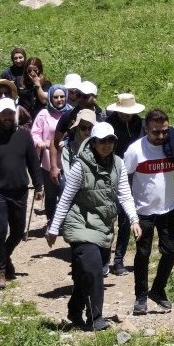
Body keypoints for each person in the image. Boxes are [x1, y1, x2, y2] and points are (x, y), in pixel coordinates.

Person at [46, 122, 141, 331]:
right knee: (93, 270)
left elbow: (125, 194)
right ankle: (95, 318)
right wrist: (53, 229)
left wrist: (134, 220)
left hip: (103, 226)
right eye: (102, 141)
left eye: (110, 140)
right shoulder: (80, 166)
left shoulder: (118, 164)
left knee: (85, 274)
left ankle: (74, 309)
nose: (106, 145)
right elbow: (66, 197)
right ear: (93, 143)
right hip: (80, 223)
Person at [0, 98, 44, 288]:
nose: (7, 117)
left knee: (18, 232)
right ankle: (0, 271)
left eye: (10, 113)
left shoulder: (24, 136)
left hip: (20, 192)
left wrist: (39, 186)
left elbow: (33, 163)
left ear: (15, 114)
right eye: (3, 113)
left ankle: (4, 256)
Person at [123, 108, 174, 315]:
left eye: (164, 131)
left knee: (171, 251)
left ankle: (158, 289)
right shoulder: (135, 150)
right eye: (156, 132)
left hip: (169, 208)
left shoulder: (172, 146)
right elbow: (124, 180)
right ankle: (140, 297)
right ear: (146, 129)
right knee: (143, 254)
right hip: (143, 211)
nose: (161, 136)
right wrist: (129, 212)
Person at [106, 93, 146, 276]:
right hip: (111, 173)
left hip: (135, 175)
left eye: (128, 112)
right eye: (122, 112)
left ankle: (118, 259)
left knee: (125, 218)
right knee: (108, 217)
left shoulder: (141, 125)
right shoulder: (109, 125)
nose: (125, 115)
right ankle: (104, 258)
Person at [48, 79, 101, 184]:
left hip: (96, 167)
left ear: (95, 97)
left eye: (85, 96)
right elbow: (55, 141)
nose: (81, 99)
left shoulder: (101, 117)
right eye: (78, 94)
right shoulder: (68, 115)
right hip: (71, 167)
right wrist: (54, 167)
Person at [30, 84, 69, 220]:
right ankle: (51, 221)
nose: (59, 100)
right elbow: (35, 133)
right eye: (55, 97)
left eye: (62, 96)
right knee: (51, 194)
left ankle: (64, 223)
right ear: (50, 98)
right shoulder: (44, 114)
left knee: (65, 192)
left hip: (67, 159)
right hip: (47, 160)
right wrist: (39, 142)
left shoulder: (70, 113)